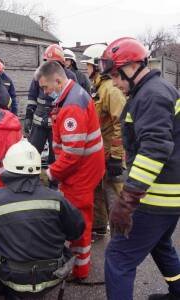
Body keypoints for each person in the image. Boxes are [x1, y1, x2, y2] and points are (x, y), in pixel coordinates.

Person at [99, 37, 180, 300]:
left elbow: (155, 149)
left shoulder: (151, 95)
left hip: (156, 197)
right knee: (160, 245)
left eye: (116, 75)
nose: (115, 82)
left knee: (118, 257)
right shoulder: (154, 90)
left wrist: (128, 200)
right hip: (169, 194)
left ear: (132, 66)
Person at [0, 139, 85, 299]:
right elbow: (77, 230)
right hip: (52, 276)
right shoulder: (56, 199)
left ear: (8, 167)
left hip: (13, 280)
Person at [35, 61, 105, 281]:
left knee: (78, 219)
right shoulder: (73, 94)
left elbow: (72, 154)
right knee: (80, 216)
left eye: (46, 88)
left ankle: (79, 270)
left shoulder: (71, 107)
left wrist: (50, 174)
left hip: (81, 172)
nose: (45, 93)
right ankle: (79, 263)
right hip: (87, 166)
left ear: (57, 80)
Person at [81, 44, 126, 236]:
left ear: (98, 66)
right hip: (100, 151)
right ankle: (99, 226)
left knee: (114, 194)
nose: (86, 69)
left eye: (89, 66)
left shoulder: (110, 90)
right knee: (97, 189)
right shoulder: (98, 88)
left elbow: (121, 124)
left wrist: (116, 156)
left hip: (110, 153)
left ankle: (122, 233)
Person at [24, 44, 77, 178]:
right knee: (32, 153)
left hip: (57, 125)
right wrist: (29, 116)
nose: (50, 66)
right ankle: (30, 180)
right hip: (39, 122)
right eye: (48, 62)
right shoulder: (39, 75)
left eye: (54, 63)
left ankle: (54, 184)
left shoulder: (70, 76)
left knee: (56, 156)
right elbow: (32, 96)